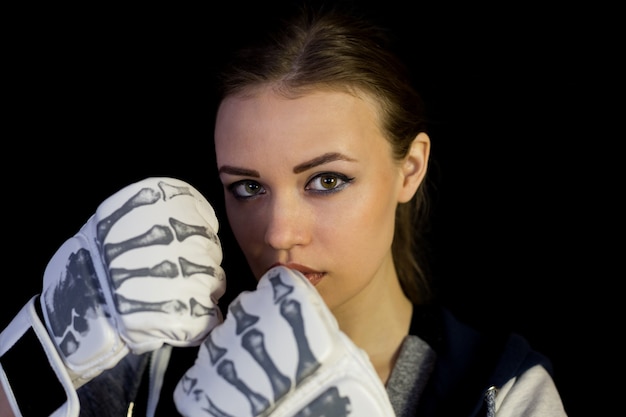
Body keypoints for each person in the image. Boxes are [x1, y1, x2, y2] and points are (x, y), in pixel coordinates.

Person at [0, 1, 568, 416]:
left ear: (409, 169)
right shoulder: (153, 351)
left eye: (326, 180)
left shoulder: (503, 389)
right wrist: (45, 345)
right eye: (247, 187)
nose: (277, 234)